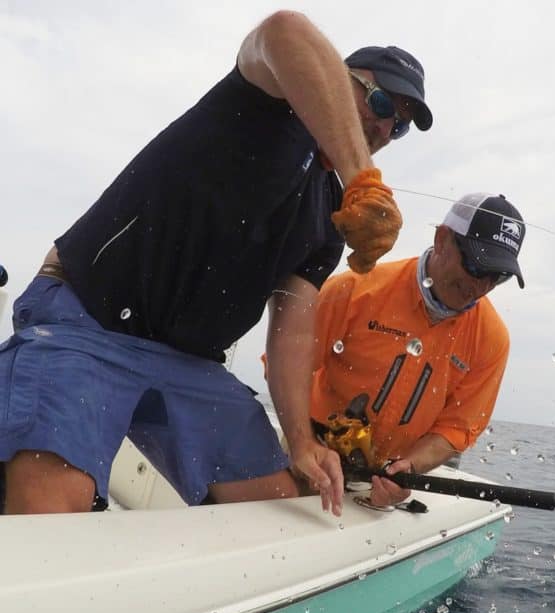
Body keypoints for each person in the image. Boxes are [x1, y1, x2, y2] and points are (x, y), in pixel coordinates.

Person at [0, 12, 433, 517]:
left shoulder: (331, 216)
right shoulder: (264, 104)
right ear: (336, 79)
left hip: (189, 365)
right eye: (379, 101)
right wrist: (365, 177)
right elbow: (284, 32)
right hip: (85, 325)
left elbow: (291, 333)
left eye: (398, 125)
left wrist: (301, 442)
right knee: (49, 515)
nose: (384, 125)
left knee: (282, 507)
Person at [310, 192, 525, 507]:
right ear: (442, 239)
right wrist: (305, 445)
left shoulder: (493, 340)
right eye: (477, 266)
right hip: (313, 451)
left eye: (498, 276)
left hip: (389, 479)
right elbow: (288, 368)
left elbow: (457, 428)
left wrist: (408, 468)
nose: (480, 286)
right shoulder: (353, 289)